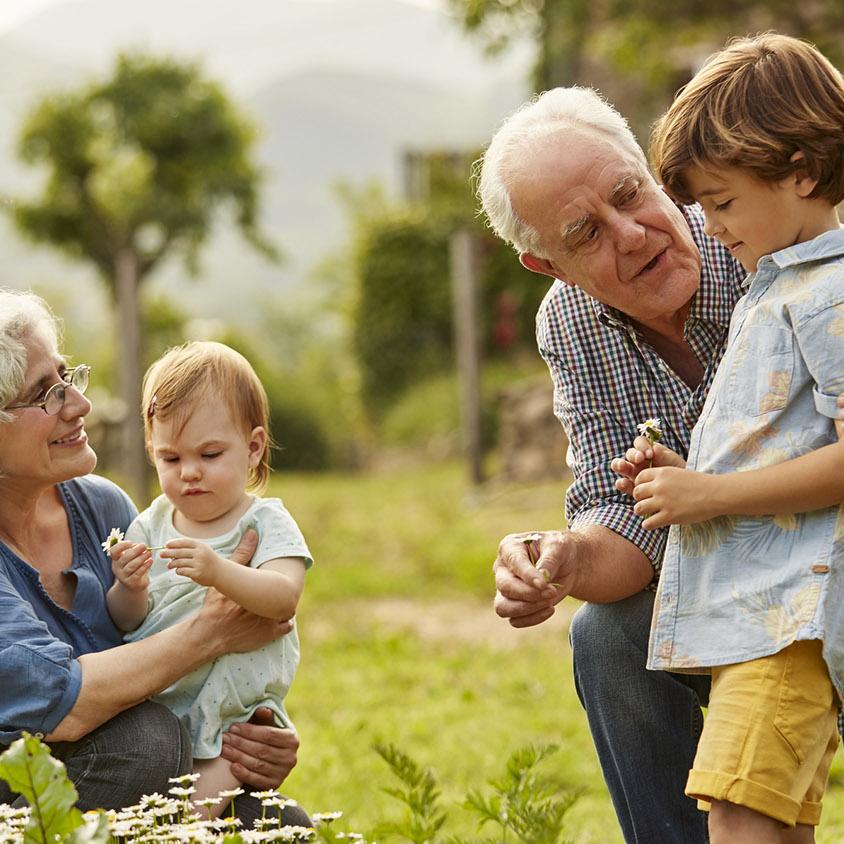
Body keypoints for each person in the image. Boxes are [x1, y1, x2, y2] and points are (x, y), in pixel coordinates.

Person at [477, 86, 747, 841]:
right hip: (732, 593)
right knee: (607, 635)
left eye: (631, 194)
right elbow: (622, 513)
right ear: (546, 263)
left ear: (650, 167)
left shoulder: (760, 240)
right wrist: (560, 558)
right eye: (585, 233)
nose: (630, 235)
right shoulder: (570, 321)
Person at [610, 34, 844, 844]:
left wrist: (710, 495)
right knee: (765, 817)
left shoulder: (829, 294)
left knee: (742, 817)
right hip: (761, 617)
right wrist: (689, 474)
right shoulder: (782, 283)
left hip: (791, 618)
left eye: (724, 202)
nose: (709, 226)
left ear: (803, 170)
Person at [0, 289, 309, 827]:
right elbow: (64, 704)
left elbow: (159, 631)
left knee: (281, 825)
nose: (79, 404)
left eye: (68, 377)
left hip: (148, 760)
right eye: (46, 395)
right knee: (147, 741)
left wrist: (252, 735)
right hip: (26, 792)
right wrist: (214, 630)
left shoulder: (103, 507)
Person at [106, 341, 311, 816]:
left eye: (210, 454)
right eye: (171, 459)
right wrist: (130, 588)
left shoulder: (264, 523)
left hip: (233, 714)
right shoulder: (150, 523)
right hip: (163, 698)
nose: (190, 473)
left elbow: (283, 598)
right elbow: (124, 621)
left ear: (253, 448)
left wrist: (221, 571)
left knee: (186, 813)